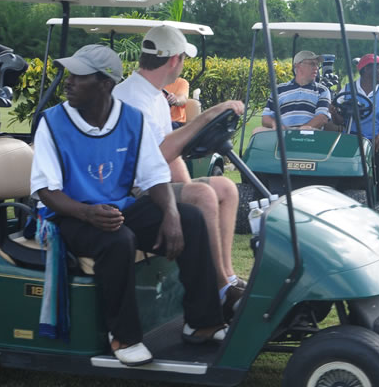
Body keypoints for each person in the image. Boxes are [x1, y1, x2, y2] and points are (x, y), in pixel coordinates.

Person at [30, 44, 226, 367]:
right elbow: (46, 190)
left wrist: (171, 214)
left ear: (105, 83)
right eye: (70, 75)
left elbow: (154, 175)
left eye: (79, 76)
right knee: (120, 240)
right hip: (68, 214)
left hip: (117, 209)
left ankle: (202, 322)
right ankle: (123, 336)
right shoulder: (52, 123)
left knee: (191, 219)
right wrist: (86, 212)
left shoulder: (131, 121)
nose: (68, 82)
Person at [112, 26, 244, 321]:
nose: (183, 64)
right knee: (203, 194)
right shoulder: (133, 98)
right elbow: (158, 154)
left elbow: (169, 158)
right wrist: (208, 114)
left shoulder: (154, 96)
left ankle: (227, 278)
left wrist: (186, 189)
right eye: (183, 59)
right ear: (174, 59)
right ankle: (220, 291)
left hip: (151, 185)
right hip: (127, 194)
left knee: (225, 188)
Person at [332, 53, 379, 223]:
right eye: (378, 67)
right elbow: (339, 121)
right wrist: (334, 113)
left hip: (376, 137)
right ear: (365, 70)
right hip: (350, 138)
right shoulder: (348, 89)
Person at [260, 50, 331, 130]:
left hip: (308, 134)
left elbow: (322, 118)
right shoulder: (279, 89)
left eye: (317, 64)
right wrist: (275, 124)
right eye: (312, 64)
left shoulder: (322, 90)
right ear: (297, 66)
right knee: (257, 131)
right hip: (283, 133)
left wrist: (299, 131)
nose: (316, 68)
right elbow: (266, 118)